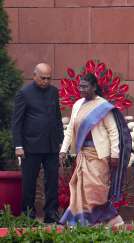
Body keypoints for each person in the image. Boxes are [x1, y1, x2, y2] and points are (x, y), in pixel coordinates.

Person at [58, 73, 130, 227]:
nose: (81, 89)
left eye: (85, 86)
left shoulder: (102, 106)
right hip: (82, 154)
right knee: (81, 190)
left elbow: (113, 131)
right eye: (80, 86)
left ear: (94, 87)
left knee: (96, 191)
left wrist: (115, 154)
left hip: (99, 155)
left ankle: (106, 219)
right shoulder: (77, 104)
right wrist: (63, 150)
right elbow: (70, 129)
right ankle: (83, 222)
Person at [12, 63, 63, 223]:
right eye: (43, 78)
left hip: (51, 146)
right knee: (29, 182)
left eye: (49, 78)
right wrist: (18, 145)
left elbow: (57, 118)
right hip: (30, 146)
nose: (46, 81)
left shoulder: (54, 92)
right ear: (34, 75)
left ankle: (51, 214)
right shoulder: (24, 93)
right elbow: (17, 122)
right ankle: (28, 215)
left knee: (52, 181)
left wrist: (61, 141)